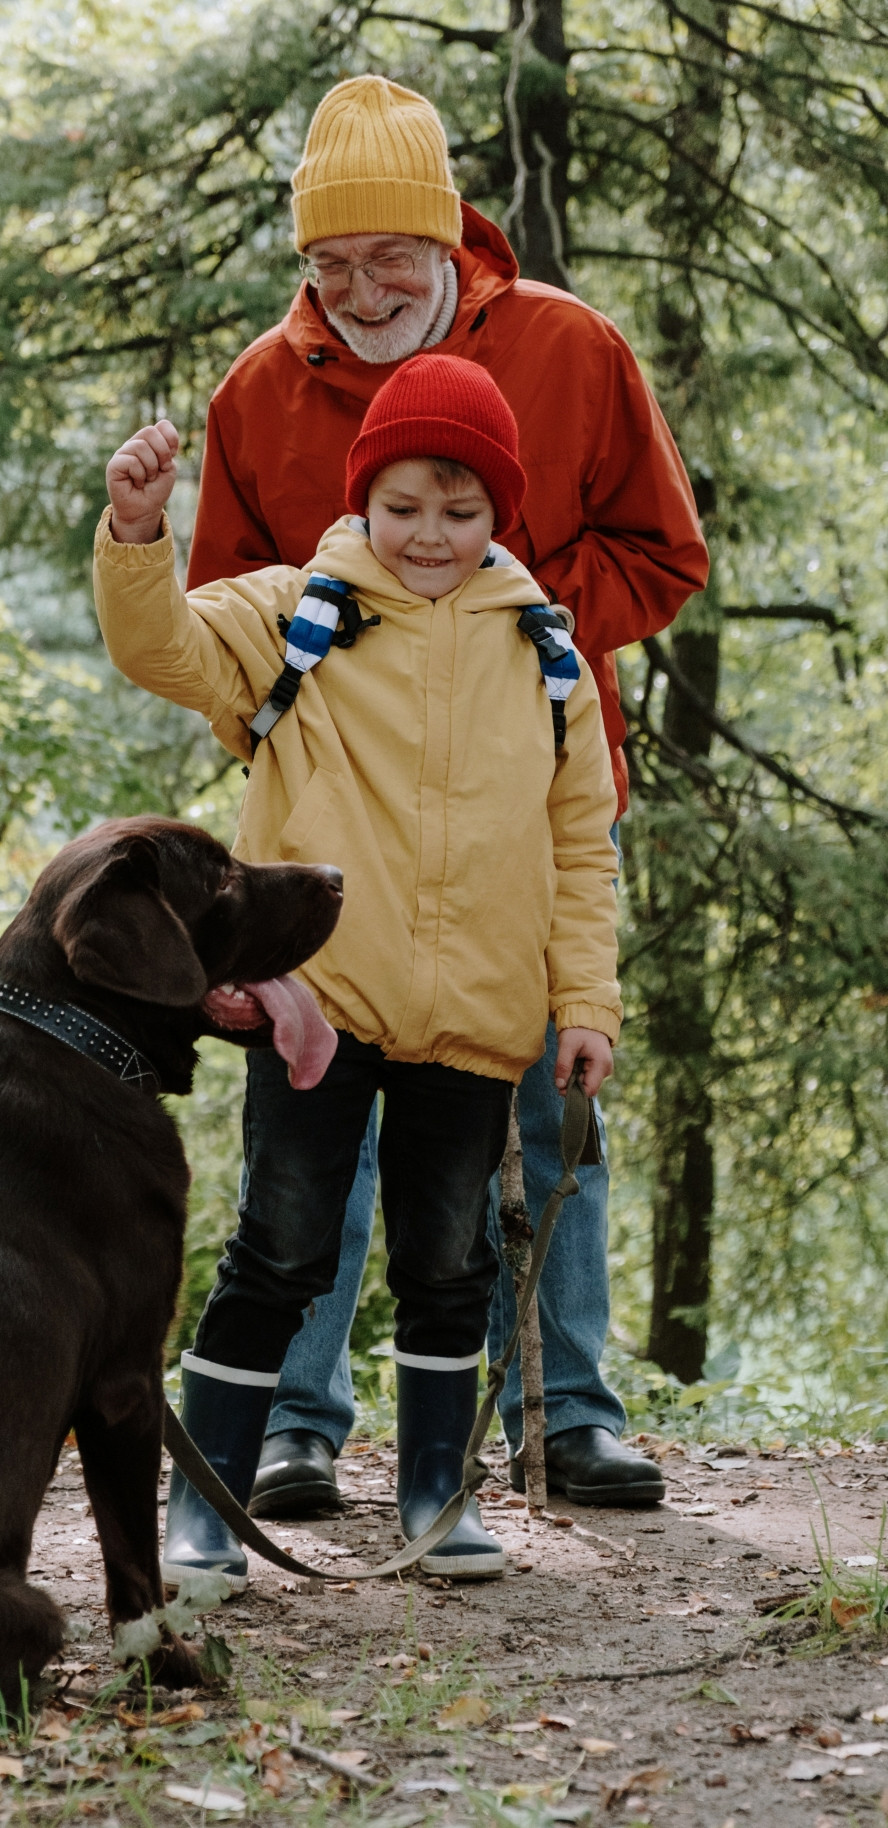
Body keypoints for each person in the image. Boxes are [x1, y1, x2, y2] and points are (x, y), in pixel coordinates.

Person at [185, 74, 710, 1514]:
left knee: (545, 1097)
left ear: (446, 238)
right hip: (332, 832)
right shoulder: (257, 391)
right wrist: (316, 694)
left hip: (525, 800)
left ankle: (566, 1413)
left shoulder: (570, 348)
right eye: (327, 262)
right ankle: (299, 1424)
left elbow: (665, 556)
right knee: (320, 1112)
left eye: (388, 257)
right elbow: (216, 612)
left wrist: (509, 628)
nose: (358, 288)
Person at [94, 351, 622, 1586]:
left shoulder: (547, 658)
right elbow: (160, 645)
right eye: (402, 508)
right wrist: (135, 530)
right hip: (315, 1009)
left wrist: (583, 1001)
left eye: (459, 510)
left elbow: (578, 847)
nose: (428, 535)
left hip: (478, 1019)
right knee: (278, 1250)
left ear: (500, 514)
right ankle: (208, 1499)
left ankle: (435, 1493)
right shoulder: (298, 611)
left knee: (450, 1265)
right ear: (361, 499)